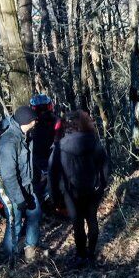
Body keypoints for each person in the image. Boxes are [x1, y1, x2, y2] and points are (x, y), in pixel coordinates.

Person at [49, 110, 110, 265]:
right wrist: (102, 184)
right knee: (92, 219)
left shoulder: (59, 147)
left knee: (77, 223)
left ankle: (81, 255)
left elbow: (52, 173)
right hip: (92, 189)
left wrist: (55, 197)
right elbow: (105, 166)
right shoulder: (94, 142)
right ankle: (91, 253)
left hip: (70, 191)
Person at [0, 105, 41, 263]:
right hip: (13, 193)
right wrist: (19, 199)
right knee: (14, 226)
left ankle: (30, 251)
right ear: (25, 121)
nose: (35, 122)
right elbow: (8, 176)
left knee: (34, 216)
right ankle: (9, 261)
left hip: (28, 187)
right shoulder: (8, 142)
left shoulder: (25, 136)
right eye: (33, 120)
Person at [29, 93, 59, 214]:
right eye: (39, 109)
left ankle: (41, 208)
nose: (42, 112)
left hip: (52, 158)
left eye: (44, 108)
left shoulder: (57, 122)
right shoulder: (31, 125)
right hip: (38, 160)